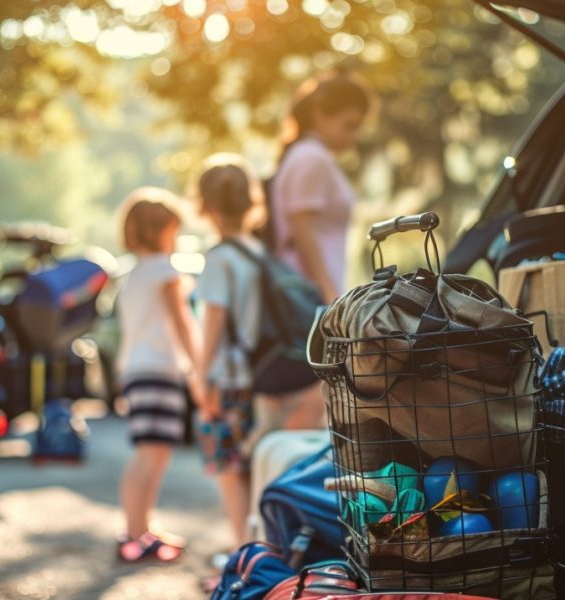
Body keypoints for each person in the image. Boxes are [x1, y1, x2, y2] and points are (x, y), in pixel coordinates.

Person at [266, 71, 374, 432]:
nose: (354, 137)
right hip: (309, 303)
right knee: (309, 416)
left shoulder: (306, 156)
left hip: (309, 300)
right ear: (321, 115)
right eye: (349, 125)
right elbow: (302, 229)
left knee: (309, 414)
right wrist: (330, 297)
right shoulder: (311, 159)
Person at [113, 188, 198, 563]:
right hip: (158, 370)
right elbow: (182, 324)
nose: (176, 238)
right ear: (159, 231)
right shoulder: (165, 272)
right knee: (150, 452)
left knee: (155, 451)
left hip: (139, 369)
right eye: (174, 230)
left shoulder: (132, 275)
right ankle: (134, 532)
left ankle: (141, 526)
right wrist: (199, 366)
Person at [192, 154, 267, 546]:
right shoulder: (259, 253)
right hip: (261, 376)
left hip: (228, 379)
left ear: (204, 206)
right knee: (256, 467)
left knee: (229, 469)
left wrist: (201, 377)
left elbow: (213, 323)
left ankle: (244, 556)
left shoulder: (219, 257)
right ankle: (263, 552)